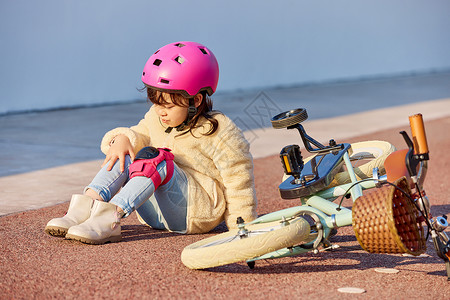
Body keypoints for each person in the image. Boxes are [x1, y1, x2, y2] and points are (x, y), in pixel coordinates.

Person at [44, 41, 258, 244]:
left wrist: (242, 228)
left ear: (197, 100)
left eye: (168, 106)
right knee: (128, 150)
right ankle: (83, 209)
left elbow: (238, 180)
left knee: (157, 157)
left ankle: (111, 217)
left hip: (195, 213)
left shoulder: (220, 129)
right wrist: (121, 139)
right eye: (156, 103)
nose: (160, 112)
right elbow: (138, 134)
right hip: (154, 214)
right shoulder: (156, 117)